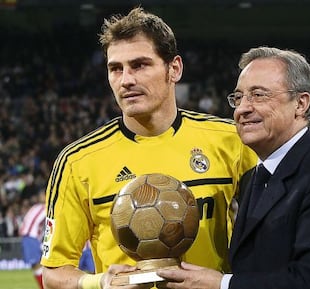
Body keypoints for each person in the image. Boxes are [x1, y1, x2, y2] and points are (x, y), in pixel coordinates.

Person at [40, 6, 256, 289]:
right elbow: (54, 272)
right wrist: (101, 282)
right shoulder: (77, 162)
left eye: (140, 65)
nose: (126, 80)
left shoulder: (231, 141)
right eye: (115, 69)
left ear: (174, 68)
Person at [156, 46, 310, 289]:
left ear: (301, 103)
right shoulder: (255, 177)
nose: (242, 109)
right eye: (238, 98)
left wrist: (222, 285)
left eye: (258, 95)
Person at [20, 189, 46, 289]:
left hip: (31, 238)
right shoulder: (37, 207)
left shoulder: (46, 208)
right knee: (36, 266)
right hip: (29, 238)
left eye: (42, 195)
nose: (40, 196)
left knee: (37, 266)